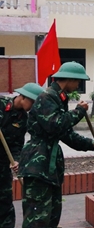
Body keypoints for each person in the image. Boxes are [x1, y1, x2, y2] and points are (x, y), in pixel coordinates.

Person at [18, 62, 94, 228]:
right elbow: (55, 125)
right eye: (78, 81)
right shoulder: (47, 97)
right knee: (37, 218)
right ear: (69, 79)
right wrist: (79, 111)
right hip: (37, 166)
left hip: (50, 168)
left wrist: (90, 144)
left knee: (52, 215)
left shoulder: (59, 99)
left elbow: (66, 134)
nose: (78, 85)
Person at [0, 83, 44, 228]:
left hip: (2, 164)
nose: (33, 107)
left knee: (5, 201)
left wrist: (16, 160)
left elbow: (17, 144)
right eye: (32, 102)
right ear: (23, 97)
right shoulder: (1, 103)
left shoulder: (23, 118)